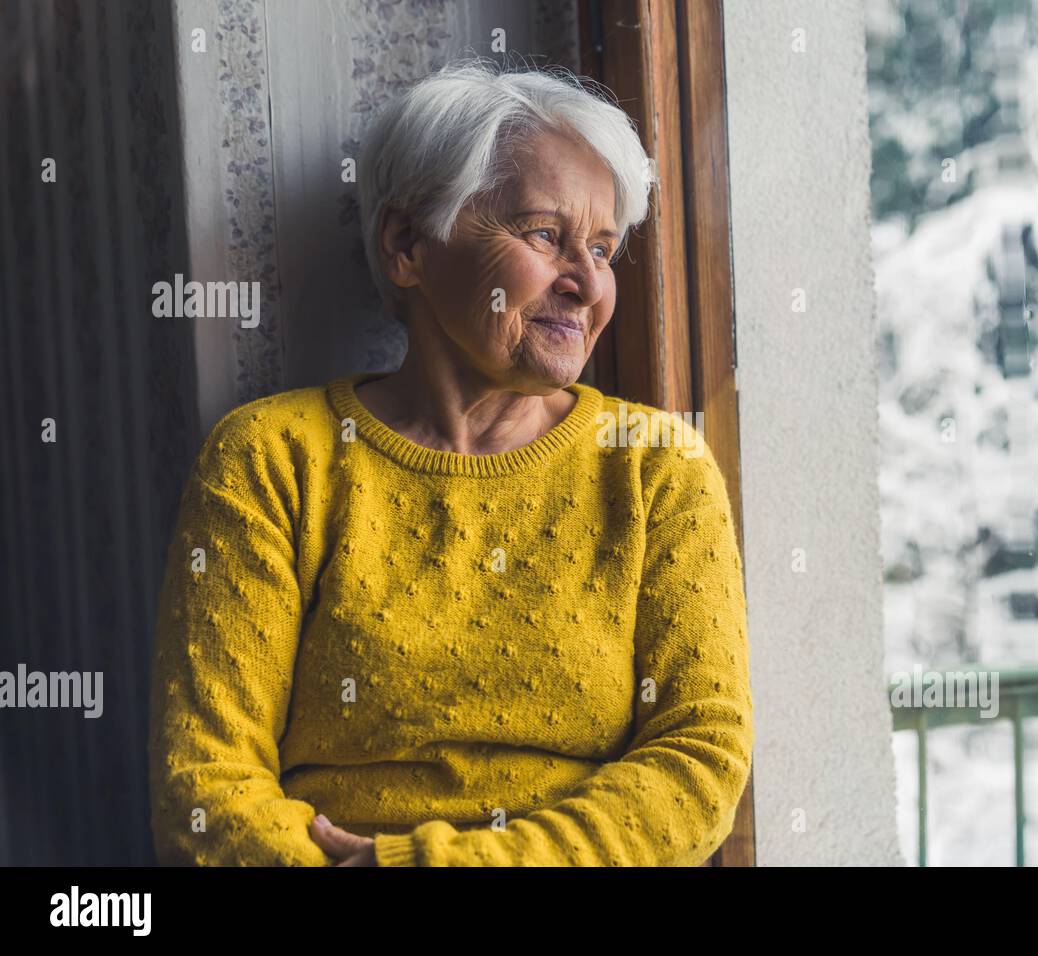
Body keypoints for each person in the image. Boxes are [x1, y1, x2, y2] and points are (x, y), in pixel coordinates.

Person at [146, 57, 753, 866]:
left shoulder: (656, 468)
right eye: (546, 236)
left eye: (604, 250)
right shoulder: (272, 459)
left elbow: (700, 762)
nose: (588, 284)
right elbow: (203, 786)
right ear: (408, 246)